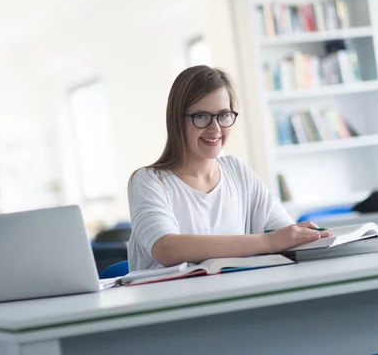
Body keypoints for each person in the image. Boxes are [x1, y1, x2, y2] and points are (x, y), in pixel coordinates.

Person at [127, 65, 331, 271]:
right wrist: (266, 243)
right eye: (201, 116)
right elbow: (166, 248)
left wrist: (306, 237)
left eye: (223, 115)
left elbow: (284, 234)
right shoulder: (148, 181)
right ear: (177, 120)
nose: (215, 128)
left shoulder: (236, 170)